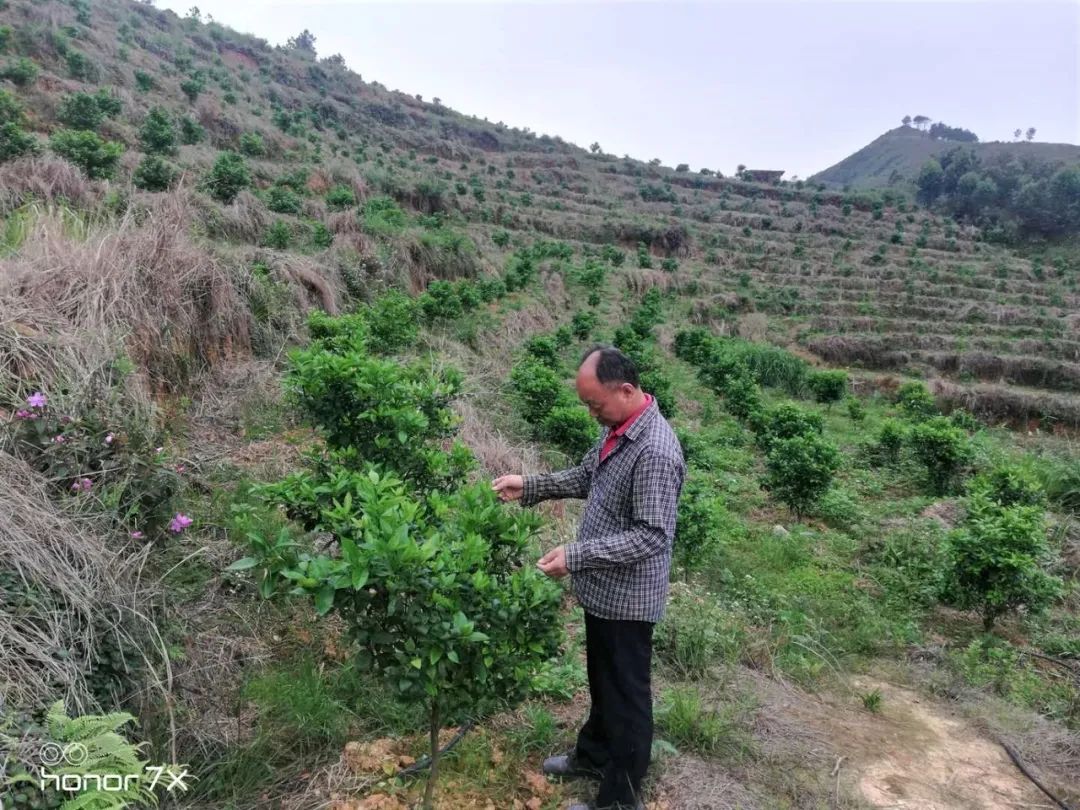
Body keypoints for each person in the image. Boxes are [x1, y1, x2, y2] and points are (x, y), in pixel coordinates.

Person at [492, 345, 686, 810]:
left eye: (594, 403)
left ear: (626, 390)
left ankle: (620, 799)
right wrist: (531, 486)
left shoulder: (655, 450)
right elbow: (587, 476)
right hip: (603, 592)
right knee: (603, 682)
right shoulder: (618, 430)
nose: (591, 412)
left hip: (629, 599)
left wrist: (576, 556)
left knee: (627, 699)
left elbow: (651, 537)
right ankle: (594, 755)